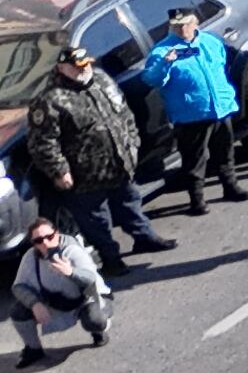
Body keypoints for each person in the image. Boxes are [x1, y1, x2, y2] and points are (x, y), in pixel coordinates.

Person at [27, 45, 174, 275]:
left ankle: (144, 238)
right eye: (77, 68)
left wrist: (132, 144)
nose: (84, 70)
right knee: (96, 220)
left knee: (130, 202)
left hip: (118, 163)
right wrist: (59, 171)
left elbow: (123, 113)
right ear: (61, 68)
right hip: (84, 174)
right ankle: (111, 259)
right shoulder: (50, 101)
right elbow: (43, 143)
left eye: (86, 65)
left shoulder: (101, 80)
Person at [146, 6, 248, 212]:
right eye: (177, 26)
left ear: (195, 23)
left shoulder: (211, 41)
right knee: (194, 160)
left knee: (225, 151)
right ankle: (197, 199)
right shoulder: (162, 51)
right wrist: (165, 64)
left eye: (185, 24)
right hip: (190, 116)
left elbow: (221, 65)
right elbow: (150, 79)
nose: (182, 29)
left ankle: (230, 187)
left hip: (219, 109)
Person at [8, 217, 112, 369]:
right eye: (38, 240)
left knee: (95, 320)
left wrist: (71, 272)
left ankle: (99, 330)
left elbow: (91, 279)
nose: (45, 243)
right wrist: (35, 304)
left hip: (84, 300)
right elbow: (18, 286)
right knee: (18, 311)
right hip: (54, 302)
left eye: (49, 237)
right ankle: (33, 349)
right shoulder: (31, 257)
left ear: (56, 234)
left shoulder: (72, 250)